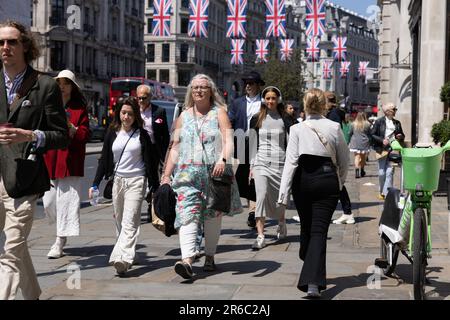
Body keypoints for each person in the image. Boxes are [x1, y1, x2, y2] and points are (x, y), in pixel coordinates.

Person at [0, 20, 69, 300]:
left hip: (24, 180)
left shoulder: (45, 85)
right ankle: (33, 294)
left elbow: (61, 136)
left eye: (12, 41)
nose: (5, 47)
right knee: (16, 249)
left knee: (11, 251)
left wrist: (30, 135)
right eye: (1, 42)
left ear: (25, 45)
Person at [161, 74, 242, 280]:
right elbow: (175, 146)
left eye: (203, 87)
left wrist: (223, 159)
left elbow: (228, 140)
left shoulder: (219, 113)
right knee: (187, 214)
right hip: (187, 175)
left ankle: (210, 255)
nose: (198, 90)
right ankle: (187, 260)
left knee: (212, 218)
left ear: (210, 91)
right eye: (195, 87)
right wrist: (166, 175)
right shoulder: (183, 116)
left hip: (214, 175)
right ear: (191, 91)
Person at [278, 88, 349, 298]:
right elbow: (344, 161)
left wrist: (283, 194)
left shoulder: (298, 129)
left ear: (305, 104)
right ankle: (312, 278)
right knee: (317, 231)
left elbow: (291, 162)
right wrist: (339, 182)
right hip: (327, 180)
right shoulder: (335, 127)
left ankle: (311, 281)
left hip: (303, 181)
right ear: (324, 105)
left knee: (310, 228)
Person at [89, 96, 160, 276]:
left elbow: (150, 162)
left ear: (135, 116)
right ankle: (131, 252)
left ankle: (122, 258)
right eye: (123, 113)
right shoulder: (112, 133)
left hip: (137, 181)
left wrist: (155, 186)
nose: (126, 117)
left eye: (130, 114)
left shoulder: (141, 135)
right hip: (118, 181)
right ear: (118, 113)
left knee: (130, 219)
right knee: (121, 221)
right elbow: (104, 160)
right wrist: (95, 184)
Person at [43, 70, 90, 259]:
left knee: (66, 202)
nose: (62, 86)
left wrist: (72, 127)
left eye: (66, 83)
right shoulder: (49, 106)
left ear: (72, 87)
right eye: (59, 83)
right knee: (48, 202)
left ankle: (59, 240)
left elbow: (85, 135)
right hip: (51, 160)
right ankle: (60, 227)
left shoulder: (79, 109)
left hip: (70, 161)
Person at [249, 86, 295, 249]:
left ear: (278, 99)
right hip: (261, 162)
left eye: (273, 98)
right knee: (260, 197)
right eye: (267, 98)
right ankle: (260, 236)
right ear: (263, 100)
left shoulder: (286, 118)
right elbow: (252, 142)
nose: (270, 101)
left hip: (281, 163)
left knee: (280, 200)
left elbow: (293, 142)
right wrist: (251, 165)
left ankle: (281, 222)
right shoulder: (256, 118)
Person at [228, 71, 265, 229]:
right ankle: (252, 207)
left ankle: (253, 211)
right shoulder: (237, 103)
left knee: (256, 176)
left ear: (258, 85)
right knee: (242, 178)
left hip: (260, 143)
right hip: (242, 142)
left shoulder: (265, 102)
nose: (248, 86)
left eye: (251, 83)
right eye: (246, 84)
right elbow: (230, 120)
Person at [324, 91, 354, 224]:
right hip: (332, 152)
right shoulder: (333, 113)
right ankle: (347, 212)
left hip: (333, 153)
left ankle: (347, 212)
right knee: (336, 184)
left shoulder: (334, 114)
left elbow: (335, 133)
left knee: (337, 183)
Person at [371, 102, 405, 200]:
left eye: (395, 109)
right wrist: (382, 140)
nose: (395, 111)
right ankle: (381, 190)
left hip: (393, 150)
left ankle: (386, 193)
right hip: (381, 149)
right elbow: (372, 134)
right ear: (387, 112)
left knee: (390, 172)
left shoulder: (397, 123)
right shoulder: (379, 122)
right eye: (394, 110)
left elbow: (402, 135)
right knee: (382, 172)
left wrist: (400, 136)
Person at [136, 84, 170, 169]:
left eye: (143, 98)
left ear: (150, 97)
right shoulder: (133, 111)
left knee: (152, 174)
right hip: (136, 148)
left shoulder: (159, 111)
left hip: (153, 148)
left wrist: (166, 153)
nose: (141, 100)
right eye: (139, 98)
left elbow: (165, 134)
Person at [348, 112, 371, 179]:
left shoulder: (353, 124)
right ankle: (362, 170)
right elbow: (370, 133)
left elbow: (349, 133)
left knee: (356, 157)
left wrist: (349, 140)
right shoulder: (367, 124)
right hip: (364, 142)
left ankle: (357, 171)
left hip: (355, 142)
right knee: (363, 157)